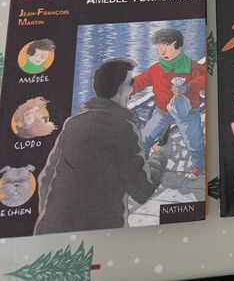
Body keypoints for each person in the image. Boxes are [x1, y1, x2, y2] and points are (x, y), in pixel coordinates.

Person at [34, 58, 167, 234]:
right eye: (131, 83)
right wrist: (160, 156)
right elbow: (141, 189)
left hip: (52, 229)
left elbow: (45, 178)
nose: (132, 90)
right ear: (120, 88)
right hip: (100, 233)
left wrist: (50, 216)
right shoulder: (123, 127)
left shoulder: (73, 123)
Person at [132, 29, 206, 180]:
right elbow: (140, 82)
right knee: (144, 139)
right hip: (163, 113)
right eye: (159, 47)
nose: (162, 51)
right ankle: (142, 166)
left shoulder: (193, 67)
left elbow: (207, 78)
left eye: (167, 47)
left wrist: (188, 87)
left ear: (179, 48)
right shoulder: (156, 69)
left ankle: (198, 167)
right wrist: (125, 90)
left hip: (188, 113)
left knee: (194, 142)